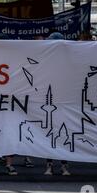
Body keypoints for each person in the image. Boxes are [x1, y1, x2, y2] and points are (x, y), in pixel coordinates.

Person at [43, 32, 71, 176]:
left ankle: (64, 165)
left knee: (63, 134)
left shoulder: (68, 60)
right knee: (51, 134)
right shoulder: (46, 59)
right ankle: (50, 165)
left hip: (64, 103)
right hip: (51, 102)